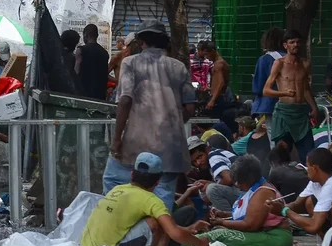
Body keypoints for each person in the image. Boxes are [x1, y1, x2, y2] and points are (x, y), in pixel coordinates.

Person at [105, 19, 196, 209]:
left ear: (141, 41)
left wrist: (116, 139)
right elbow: (189, 109)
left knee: (113, 183)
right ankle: (156, 235)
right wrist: (173, 124)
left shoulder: (130, 63)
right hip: (171, 149)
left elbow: (125, 99)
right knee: (161, 203)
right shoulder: (179, 67)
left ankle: (121, 230)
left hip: (135, 144)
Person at [81, 152, 209, 246]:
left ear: (132, 174)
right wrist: (200, 243)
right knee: (156, 222)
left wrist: (189, 229)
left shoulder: (116, 190)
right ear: (158, 181)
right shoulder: (151, 200)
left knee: (158, 220)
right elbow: (174, 232)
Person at [194, 154, 292, 246]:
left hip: (275, 237)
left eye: (238, 182)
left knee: (219, 236)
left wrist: (221, 222)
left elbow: (250, 225)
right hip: (264, 234)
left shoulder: (263, 192)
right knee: (216, 234)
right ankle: (185, 240)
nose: (236, 185)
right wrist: (223, 214)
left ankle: (184, 242)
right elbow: (247, 215)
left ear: (248, 180)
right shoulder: (252, 189)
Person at [263, 30, 320, 164]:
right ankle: (279, 182)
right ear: (285, 45)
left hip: (301, 113)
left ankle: (309, 182)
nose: (295, 45)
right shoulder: (279, 63)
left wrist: (314, 108)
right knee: (281, 155)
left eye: (298, 42)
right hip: (284, 113)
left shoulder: (306, 63)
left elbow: (306, 88)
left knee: (309, 154)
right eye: (292, 42)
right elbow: (266, 90)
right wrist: (284, 93)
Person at [188, 136, 241, 211]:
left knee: (211, 190)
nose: (198, 163)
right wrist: (209, 183)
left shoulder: (213, 156)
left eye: (200, 157)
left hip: (248, 192)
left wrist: (209, 185)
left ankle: (228, 218)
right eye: (194, 161)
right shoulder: (213, 158)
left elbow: (228, 179)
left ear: (207, 150)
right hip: (243, 191)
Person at [252, 27, 285, 145]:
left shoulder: (265, 59)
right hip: (292, 104)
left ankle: (278, 162)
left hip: (271, 105)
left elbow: (258, 87)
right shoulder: (291, 59)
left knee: (274, 137)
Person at [199, 41, 237, 135]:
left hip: (218, 99)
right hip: (216, 96)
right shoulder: (218, 63)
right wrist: (210, 89)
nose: (206, 57)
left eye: (207, 54)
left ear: (212, 51)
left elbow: (221, 82)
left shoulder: (219, 64)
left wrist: (212, 100)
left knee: (211, 123)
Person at [74, 24, 109, 100]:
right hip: (100, 95)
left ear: (86, 35)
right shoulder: (104, 53)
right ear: (97, 35)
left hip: (83, 94)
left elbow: (76, 73)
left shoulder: (81, 50)